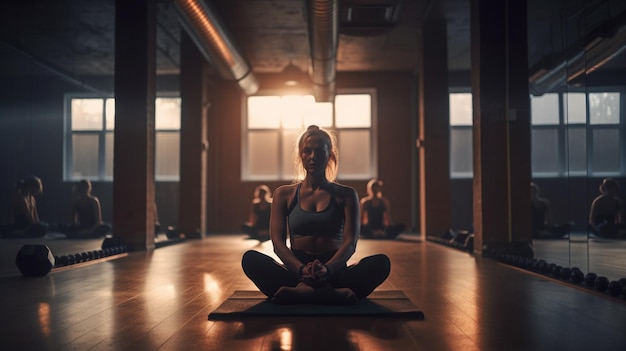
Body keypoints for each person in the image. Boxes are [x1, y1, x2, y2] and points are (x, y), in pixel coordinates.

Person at [241, 125, 391, 304]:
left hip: (334, 271)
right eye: (307, 151)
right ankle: (330, 294)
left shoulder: (347, 195)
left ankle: (303, 293)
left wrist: (326, 269)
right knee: (250, 259)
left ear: (330, 154)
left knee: (382, 263)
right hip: (296, 271)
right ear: (300, 155)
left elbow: (350, 244)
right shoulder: (284, 194)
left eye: (320, 151)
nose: (313, 157)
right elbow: (278, 243)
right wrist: (301, 270)